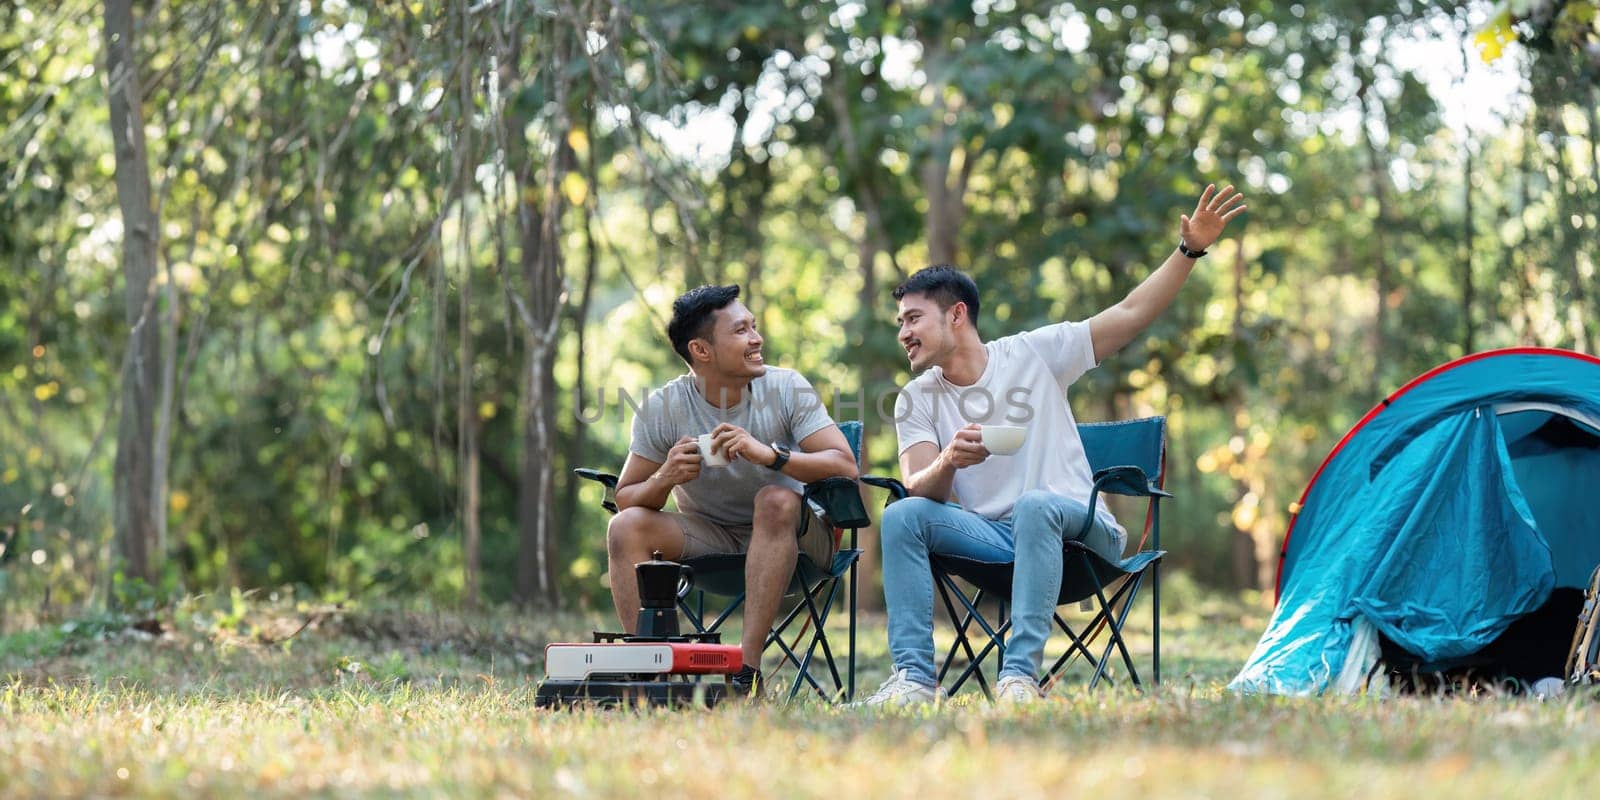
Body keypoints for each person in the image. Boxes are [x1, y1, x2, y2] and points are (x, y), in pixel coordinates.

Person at [858, 184, 1248, 705]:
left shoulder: (1035, 354)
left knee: (1036, 504)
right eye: (899, 323)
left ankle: (1018, 677)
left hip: (1085, 537)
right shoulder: (915, 398)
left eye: (912, 319)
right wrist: (950, 460)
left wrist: (1189, 251)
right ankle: (912, 680)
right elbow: (919, 483)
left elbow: (1131, 314)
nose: (902, 333)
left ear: (955, 314)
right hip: (994, 543)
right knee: (904, 515)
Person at [607, 284, 860, 696]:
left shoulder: (785, 388)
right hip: (712, 538)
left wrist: (771, 457)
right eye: (741, 331)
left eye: (754, 327)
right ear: (702, 351)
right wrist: (665, 478)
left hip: (798, 540)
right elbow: (626, 496)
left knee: (774, 500)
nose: (757, 339)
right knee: (625, 527)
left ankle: (746, 674)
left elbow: (845, 465)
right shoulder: (663, 407)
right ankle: (649, 675)